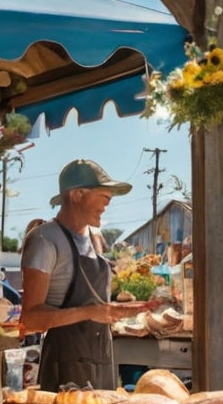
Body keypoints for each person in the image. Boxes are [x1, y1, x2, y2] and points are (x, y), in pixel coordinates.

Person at [19, 159, 150, 391]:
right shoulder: (44, 240)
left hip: (102, 361)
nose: (107, 204)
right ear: (77, 194)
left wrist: (112, 312)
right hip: (65, 368)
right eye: (103, 196)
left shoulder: (94, 238)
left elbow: (97, 305)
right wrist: (91, 312)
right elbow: (30, 319)